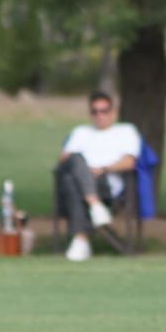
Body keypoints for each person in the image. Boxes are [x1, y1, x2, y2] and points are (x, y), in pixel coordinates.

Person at [54, 91, 142, 261]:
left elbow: (129, 162)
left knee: (71, 180)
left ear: (114, 112)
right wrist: (83, 169)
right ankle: (94, 207)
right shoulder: (80, 132)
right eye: (95, 111)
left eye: (104, 110)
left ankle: (81, 239)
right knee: (73, 167)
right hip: (82, 181)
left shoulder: (126, 131)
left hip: (107, 182)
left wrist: (103, 169)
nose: (100, 115)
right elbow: (64, 159)